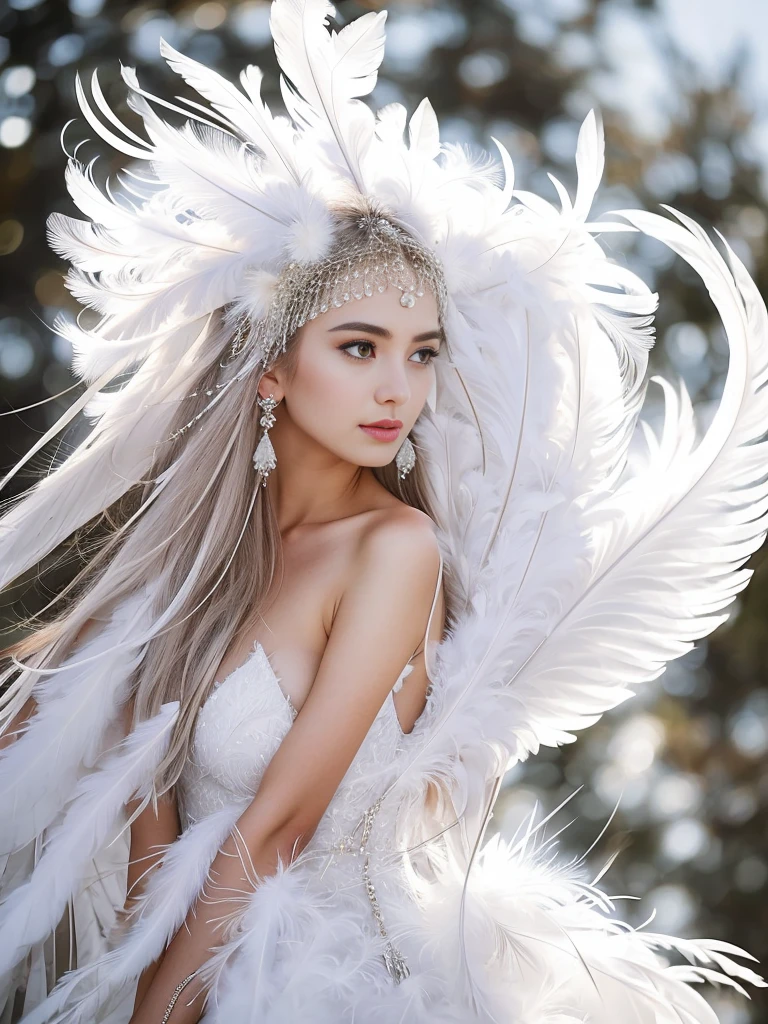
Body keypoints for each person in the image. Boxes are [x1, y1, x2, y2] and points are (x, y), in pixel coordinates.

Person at [1, 1, 767, 1021]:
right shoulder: (189, 592)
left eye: (421, 352)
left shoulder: (395, 549)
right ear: (271, 371)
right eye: (359, 347)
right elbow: (160, 873)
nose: (398, 388)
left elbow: (279, 827)